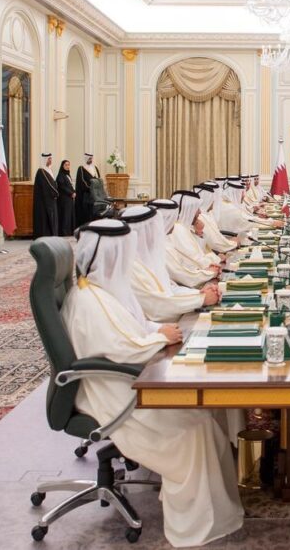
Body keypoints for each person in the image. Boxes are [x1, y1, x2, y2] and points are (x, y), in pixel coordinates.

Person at [61, 219, 243, 547]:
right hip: (113, 395)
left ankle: (220, 510)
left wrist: (153, 332)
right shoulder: (89, 300)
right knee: (194, 429)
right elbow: (120, 348)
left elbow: (130, 327)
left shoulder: (103, 291)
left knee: (205, 418)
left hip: (122, 381)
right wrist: (155, 340)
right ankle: (193, 526)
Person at [120, 205, 217, 322]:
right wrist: (201, 298)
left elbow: (170, 289)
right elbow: (157, 306)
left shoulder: (149, 256)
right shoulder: (129, 266)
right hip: (160, 329)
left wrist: (200, 293)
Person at [165, 191, 221, 288]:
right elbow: (195, 263)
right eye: (196, 209)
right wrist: (215, 262)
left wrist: (199, 233)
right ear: (189, 209)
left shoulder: (185, 228)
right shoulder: (178, 230)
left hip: (197, 278)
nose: (199, 212)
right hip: (191, 284)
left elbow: (199, 252)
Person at [194, 182, 237, 254]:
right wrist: (233, 243)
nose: (214, 202)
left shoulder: (208, 214)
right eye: (212, 199)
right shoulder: (201, 218)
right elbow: (215, 243)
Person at [32, 152, 58, 237]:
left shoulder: (49, 170)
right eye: (49, 159)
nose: (50, 161)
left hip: (50, 199)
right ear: (44, 160)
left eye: (51, 159)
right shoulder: (41, 171)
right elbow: (47, 186)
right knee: (44, 218)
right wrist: (55, 193)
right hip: (44, 201)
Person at [75, 152, 100, 227]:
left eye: (91, 158)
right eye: (89, 158)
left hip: (95, 196)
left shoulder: (95, 168)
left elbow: (99, 180)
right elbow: (82, 181)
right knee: (87, 213)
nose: (90, 160)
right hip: (86, 195)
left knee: (95, 213)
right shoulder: (81, 168)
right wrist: (90, 188)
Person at [55, 160, 76, 236]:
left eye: (68, 165)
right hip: (64, 199)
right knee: (65, 216)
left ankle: (69, 231)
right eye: (66, 165)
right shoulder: (60, 175)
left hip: (69, 198)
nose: (67, 166)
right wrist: (71, 193)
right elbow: (62, 187)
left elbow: (70, 186)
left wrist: (74, 191)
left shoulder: (68, 175)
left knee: (70, 215)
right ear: (62, 166)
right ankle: (64, 232)